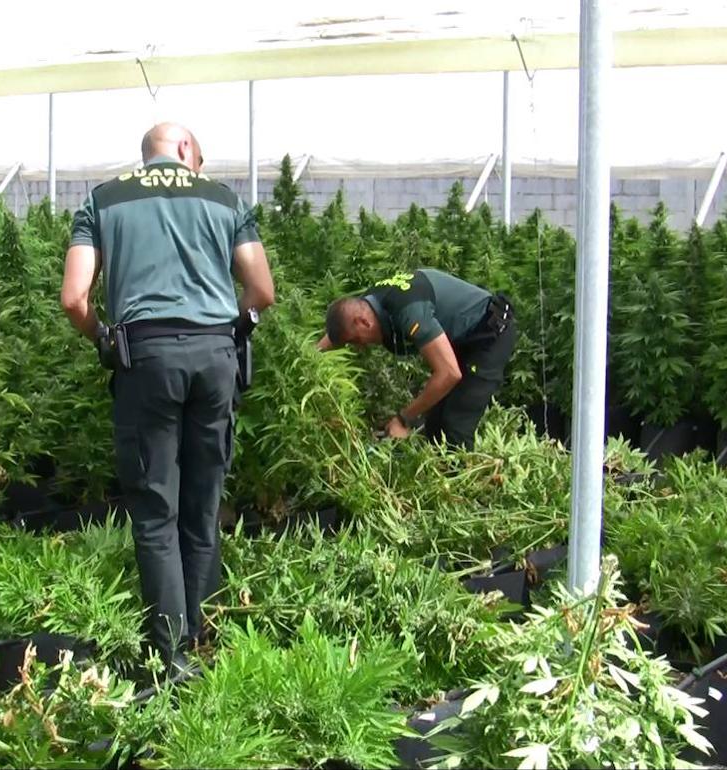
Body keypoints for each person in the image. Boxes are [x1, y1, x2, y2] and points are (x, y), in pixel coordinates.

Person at [60, 123, 275, 672]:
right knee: (203, 506)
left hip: (146, 357)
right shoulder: (223, 199)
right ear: (184, 150)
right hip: (214, 357)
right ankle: (203, 638)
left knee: (156, 510)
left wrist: (104, 338)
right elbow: (263, 290)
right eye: (197, 158)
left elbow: (73, 298)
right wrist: (236, 325)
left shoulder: (102, 200)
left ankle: (171, 655)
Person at [318, 268, 516, 448]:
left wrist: (404, 419)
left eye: (356, 340)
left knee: (455, 425)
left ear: (364, 322)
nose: (360, 347)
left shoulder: (409, 312)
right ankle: (440, 475)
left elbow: (449, 373)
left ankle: (466, 482)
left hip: (489, 333)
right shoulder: (367, 304)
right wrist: (309, 357)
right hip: (459, 337)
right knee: (435, 424)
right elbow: (338, 331)